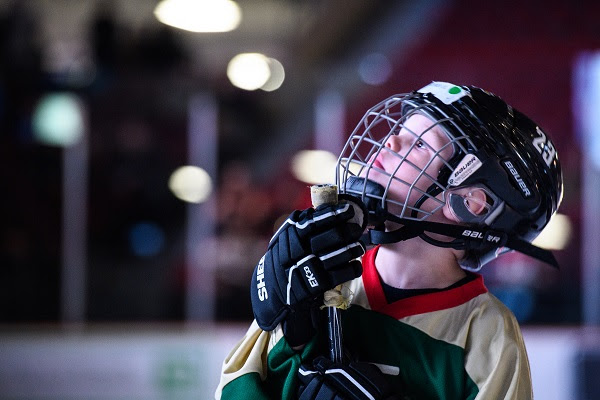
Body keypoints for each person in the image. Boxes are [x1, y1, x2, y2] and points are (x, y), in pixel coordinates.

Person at [215, 81, 563, 399]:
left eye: (421, 144)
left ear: (469, 203)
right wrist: (292, 342)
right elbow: (233, 389)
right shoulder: (317, 278)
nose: (391, 140)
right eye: (400, 130)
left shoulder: (487, 336)